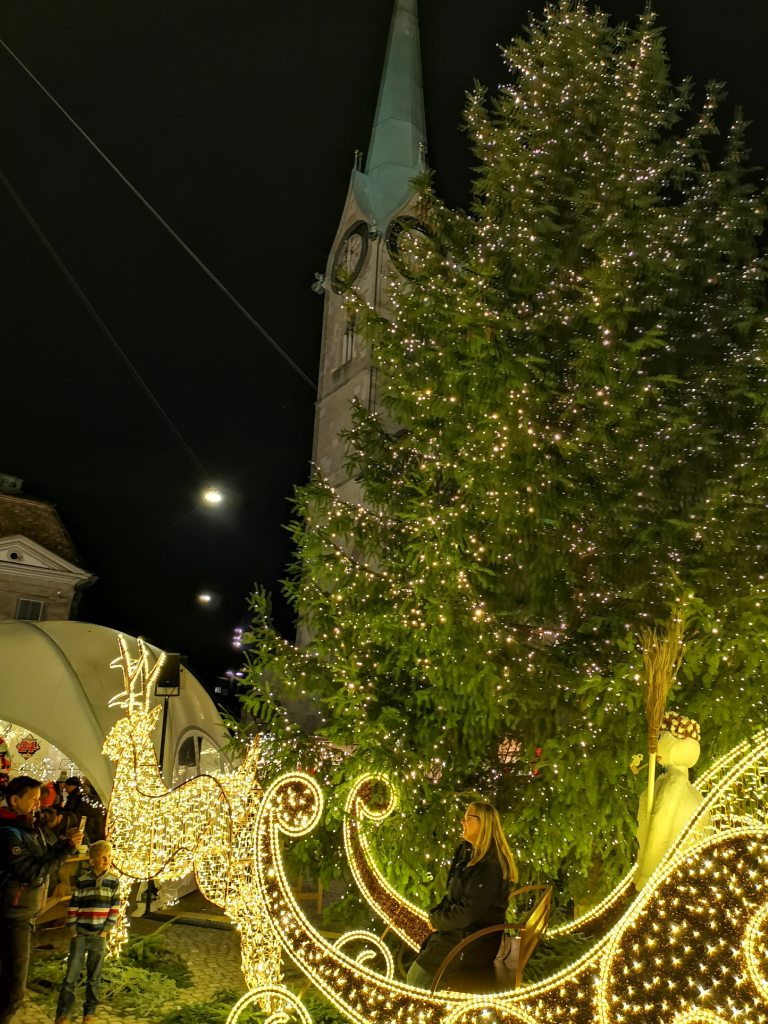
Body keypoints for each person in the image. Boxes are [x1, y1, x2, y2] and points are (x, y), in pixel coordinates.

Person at [407, 801, 518, 990]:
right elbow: (452, 894)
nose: (462, 822)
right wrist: (436, 915)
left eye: (468, 817)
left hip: (471, 943)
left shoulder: (490, 866)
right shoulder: (467, 853)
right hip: (460, 935)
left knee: (417, 978)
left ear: (483, 823)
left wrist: (437, 921)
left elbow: (468, 913)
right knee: (418, 971)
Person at [0, 776, 83, 1024]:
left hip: (24, 912)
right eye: (33, 798)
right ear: (15, 800)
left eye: (40, 798)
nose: (38, 804)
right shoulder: (8, 832)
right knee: (14, 991)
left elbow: (46, 855)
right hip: (12, 916)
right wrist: (66, 849)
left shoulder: (28, 826)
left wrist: (65, 842)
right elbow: (32, 870)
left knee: (7, 981)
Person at [54, 840, 121, 1024]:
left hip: (98, 935)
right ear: (92, 861)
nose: (107, 860)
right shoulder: (83, 881)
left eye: (109, 857)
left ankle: (89, 1013)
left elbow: (115, 907)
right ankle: (63, 1013)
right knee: (71, 976)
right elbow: (74, 906)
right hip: (81, 934)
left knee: (94, 977)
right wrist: (74, 929)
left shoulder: (113, 881)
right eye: (103, 857)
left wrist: (105, 930)